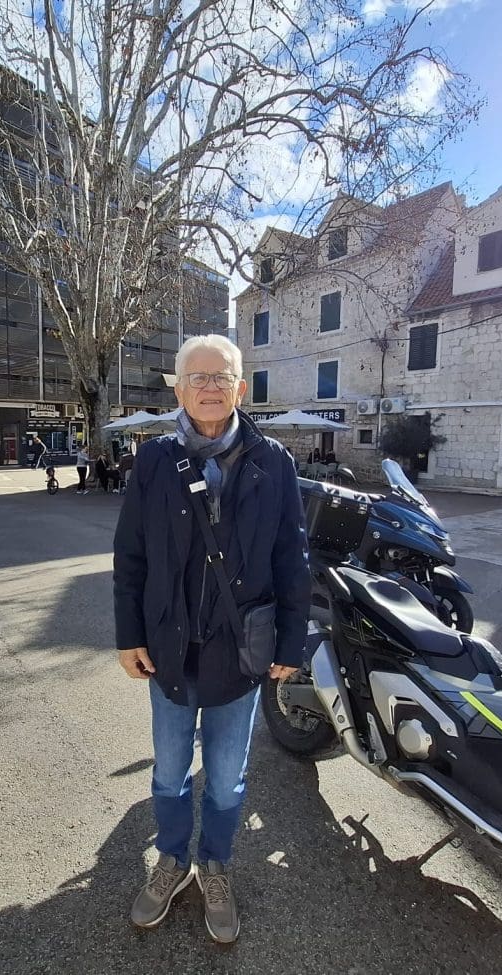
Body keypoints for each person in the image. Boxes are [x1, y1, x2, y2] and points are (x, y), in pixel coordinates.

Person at [113, 334, 311, 944]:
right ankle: (172, 861)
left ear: (240, 388)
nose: (208, 386)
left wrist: (290, 644)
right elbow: (130, 555)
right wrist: (128, 636)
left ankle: (215, 866)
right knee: (169, 774)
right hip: (169, 651)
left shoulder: (274, 462)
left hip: (240, 653)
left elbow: (292, 559)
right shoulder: (153, 461)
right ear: (178, 389)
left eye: (221, 376)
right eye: (196, 377)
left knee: (226, 780)